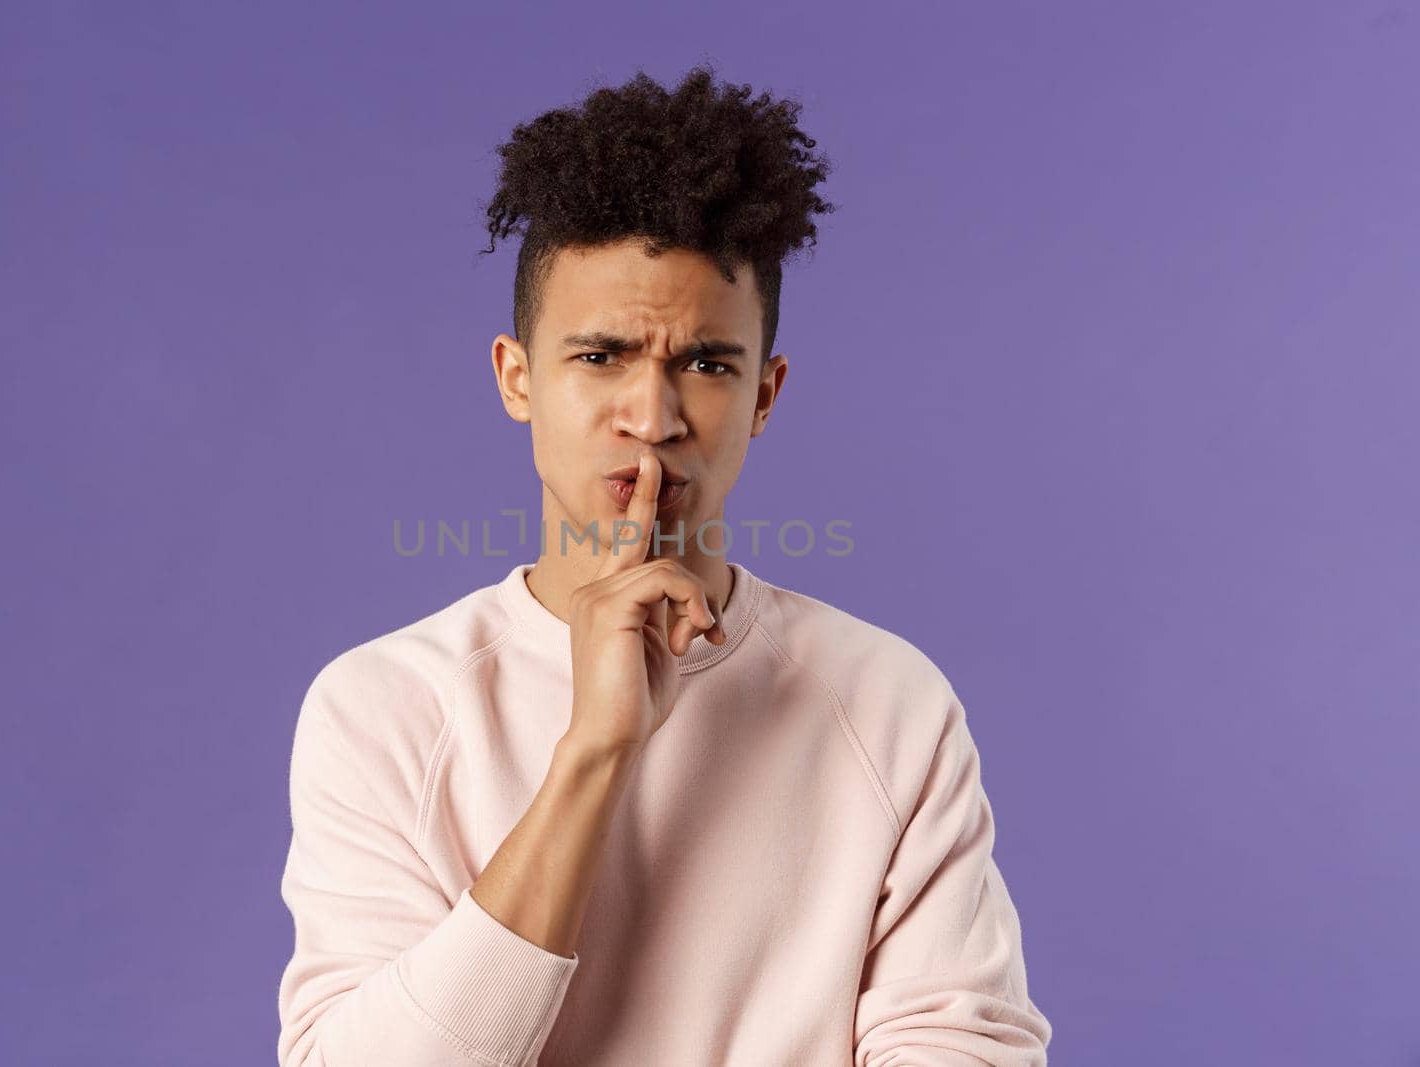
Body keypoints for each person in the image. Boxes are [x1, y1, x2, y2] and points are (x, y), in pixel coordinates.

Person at [276, 64, 1052, 1066]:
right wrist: (595, 751)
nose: (652, 417)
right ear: (519, 378)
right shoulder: (385, 706)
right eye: (599, 356)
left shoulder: (887, 699)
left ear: (765, 395)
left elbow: (966, 1050)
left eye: (706, 363)